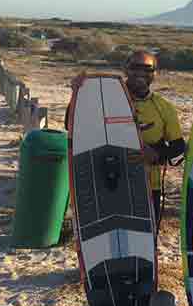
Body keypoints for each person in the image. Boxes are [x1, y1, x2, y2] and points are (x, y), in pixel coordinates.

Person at [67, 51, 186, 232]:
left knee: (142, 239)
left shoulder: (163, 107)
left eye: (147, 69)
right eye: (135, 67)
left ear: (155, 73)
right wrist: (78, 95)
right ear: (125, 69)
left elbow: (178, 149)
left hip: (146, 187)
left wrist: (156, 155)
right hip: (104, 181)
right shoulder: (102, 98)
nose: (141, 73)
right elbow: (72, 125)